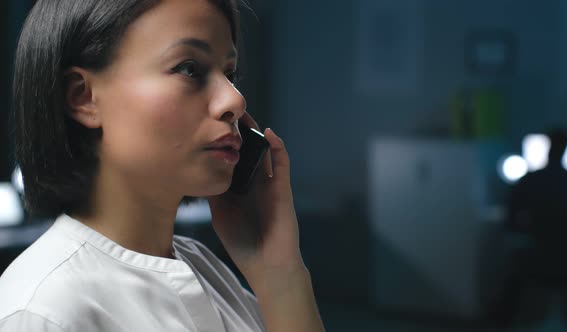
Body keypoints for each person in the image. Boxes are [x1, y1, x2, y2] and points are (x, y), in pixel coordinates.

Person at [0, 0, 325, 331]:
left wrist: (280, 274)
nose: (235, 100)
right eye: (189, 68)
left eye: (229, 74)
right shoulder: (42, 312)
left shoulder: (209, 271)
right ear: (83, 96)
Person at [490, 128, 567, 325]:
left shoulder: (530, 180)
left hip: (536, 257)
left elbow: (510, 220)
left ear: (548, 147)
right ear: (566, 149)